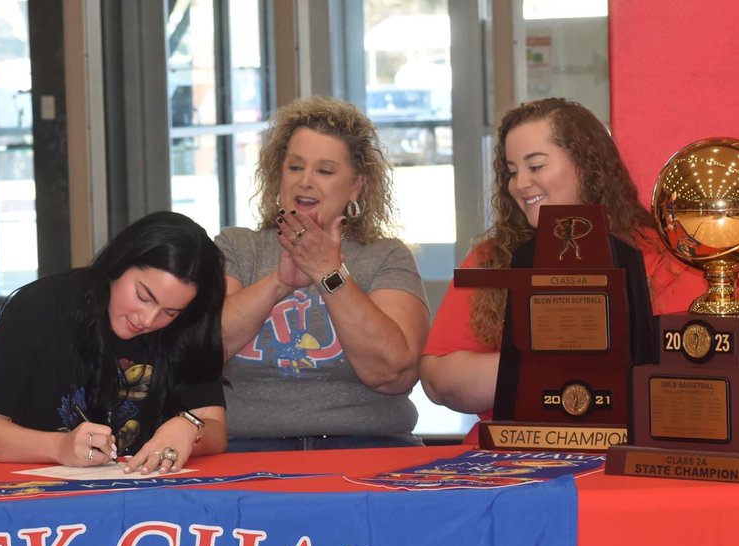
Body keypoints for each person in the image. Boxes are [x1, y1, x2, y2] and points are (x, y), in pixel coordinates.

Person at [420, 97, 699, 443]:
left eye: (535, 167)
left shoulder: (660, 255)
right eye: (511, 171)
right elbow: (437, 381)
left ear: (587, 165)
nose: (520, 184)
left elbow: (696, 374)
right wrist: (549, 363)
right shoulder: (492, 257)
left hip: (633, 454)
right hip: (509, 459)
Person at [218, 96, 431, 451]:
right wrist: (280, 283)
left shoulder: (386, 255)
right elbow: (202, 352)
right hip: (248, 448)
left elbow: (393, 373)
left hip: (367, 447)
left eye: (325, 171)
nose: (306, 182)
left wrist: (329, 273)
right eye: (295, 167)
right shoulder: (237, 247)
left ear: (356, 186)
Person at [0, 210, 226, 474]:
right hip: (39, 498)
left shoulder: (188, 325)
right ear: (119, 264)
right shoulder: (39, 308)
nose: (148, 319)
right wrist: (58, 446)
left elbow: (214, 426)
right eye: (143, 297)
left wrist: (190, 427)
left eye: (170, 312)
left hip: (144, 495)